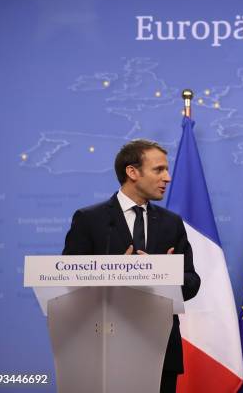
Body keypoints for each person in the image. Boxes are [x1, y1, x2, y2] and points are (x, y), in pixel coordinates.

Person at [62, 139, 201, 393]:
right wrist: (112, 271)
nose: (167, 177)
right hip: (104, 348)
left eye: (166, 170)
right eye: (159, 170)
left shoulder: (172, 223)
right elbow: (68, 284)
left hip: (160, 351)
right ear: (132, 172)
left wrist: (164, 274)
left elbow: (192, 282)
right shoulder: (89, 220)